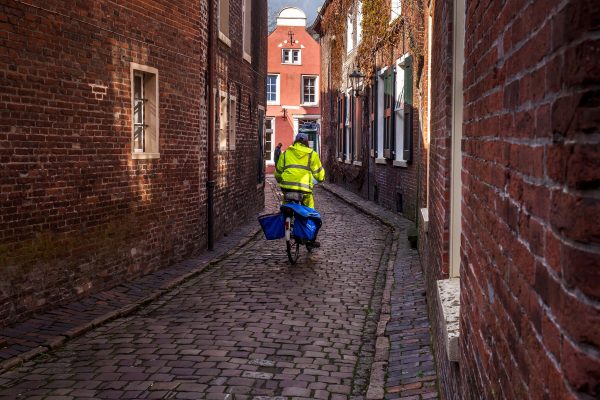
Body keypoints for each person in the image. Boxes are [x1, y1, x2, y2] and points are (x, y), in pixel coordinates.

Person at [274, 132, 325, 209]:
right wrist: (321, 179)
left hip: (287, 187)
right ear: (307, 142)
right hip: (304, 189)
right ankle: (306, 219)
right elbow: (319, 174)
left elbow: (278, 172)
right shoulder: (312, 154)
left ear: (295, 141)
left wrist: (279, 179)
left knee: (285, 207)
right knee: (309, 210)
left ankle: (285, 217)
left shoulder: (286, 153)